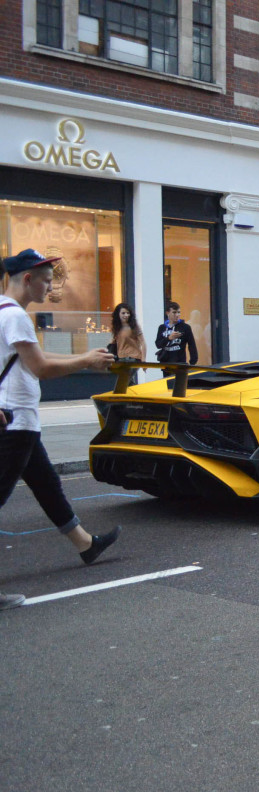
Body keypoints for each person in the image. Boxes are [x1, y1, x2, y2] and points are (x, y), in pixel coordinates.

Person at [1, 249, 122, 609]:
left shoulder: (5, 313)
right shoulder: (16, 318)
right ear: (27, 279)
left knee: (47, 484)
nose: (50, 285)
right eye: (45, 279)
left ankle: (85, 544)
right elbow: (40, 368)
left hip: (18, 418)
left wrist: (84, 356)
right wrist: (85, 361)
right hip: (16, 420)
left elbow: (35, 358)